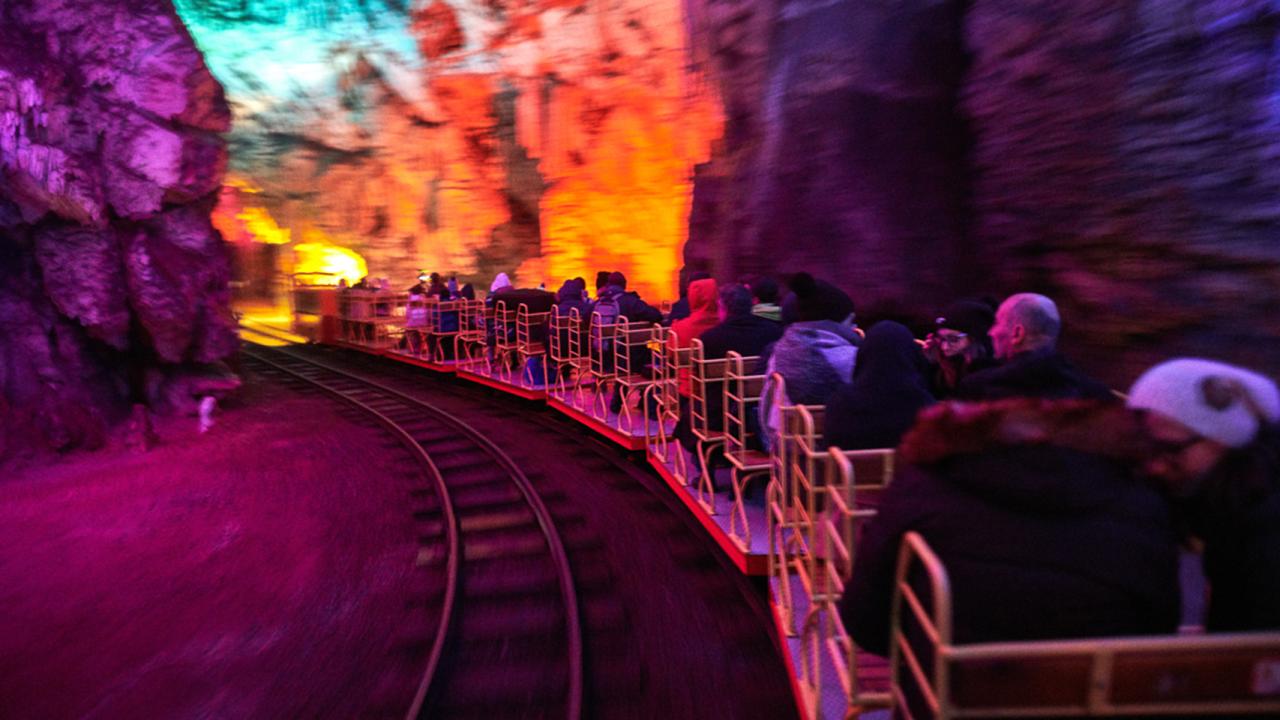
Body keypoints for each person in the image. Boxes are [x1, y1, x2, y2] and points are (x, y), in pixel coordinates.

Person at [842, 397, 1182, 655]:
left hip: (945, 698)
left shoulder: (920, 487)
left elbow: (865, 620)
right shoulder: (1143, 506)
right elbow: (1158, 627)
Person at [1126, 358, 1280, 631]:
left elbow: (1252, 653)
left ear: (1223, 439)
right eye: (1147, 449)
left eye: (1171, 450)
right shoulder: (1232, 506)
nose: (1155, 466)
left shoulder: (1264, 531)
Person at [757, 273, 860, 450]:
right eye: (851, 321)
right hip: (835, 463)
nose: (855, 328)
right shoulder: (850, 358)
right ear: (833, 324)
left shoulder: (779, 352)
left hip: (788, 456)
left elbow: (765, 414)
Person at [956, 293, 1111, 401]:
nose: (991, 332)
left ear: (1017, 333)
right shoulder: (1097, 394)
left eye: (997, 323)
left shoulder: (978, 389)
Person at [824, 321, 935, 451]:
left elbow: (830, 452)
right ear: (911, 354)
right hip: (906, 471)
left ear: (864, 354)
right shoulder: (926, 407)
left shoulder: (840, 403)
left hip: (851, 471)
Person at [924, 299, 997, 398]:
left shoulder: (992, 372)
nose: (944, 346)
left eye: (953, 339)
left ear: (974, 338)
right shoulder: (941, 365)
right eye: (941, 338)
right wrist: (927, 363)